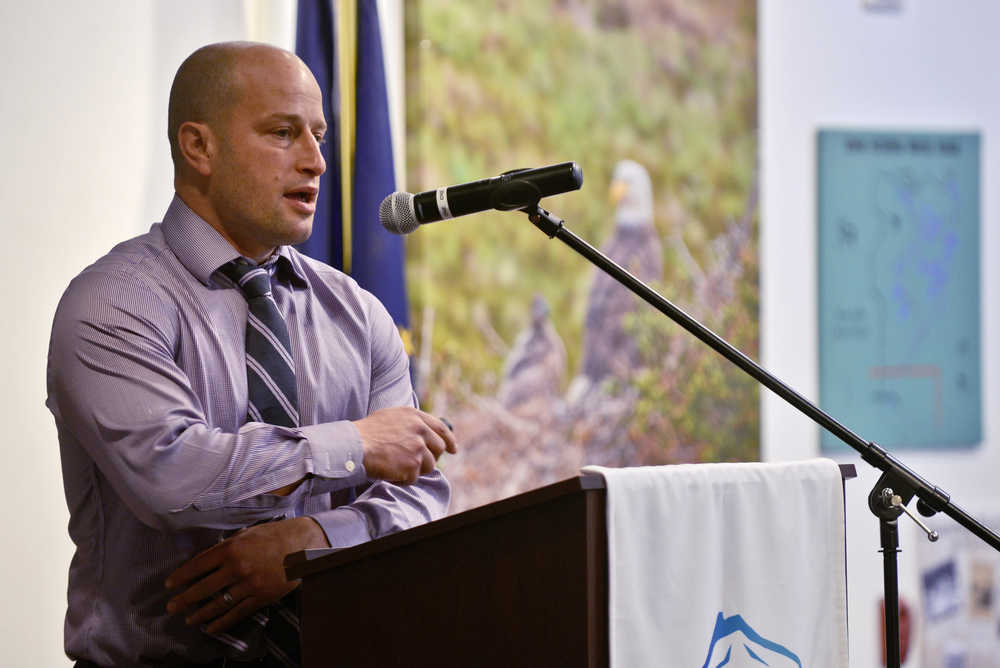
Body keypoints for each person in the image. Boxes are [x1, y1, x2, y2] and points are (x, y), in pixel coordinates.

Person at [46, 41, 456, 667]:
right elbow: (172, 476)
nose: (317, 161)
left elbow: (419, 493)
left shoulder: (357, 312)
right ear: (199, 147)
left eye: (320, 135)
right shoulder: (112, 305)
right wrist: (352, 444)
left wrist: (313, 542)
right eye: (283, 133)